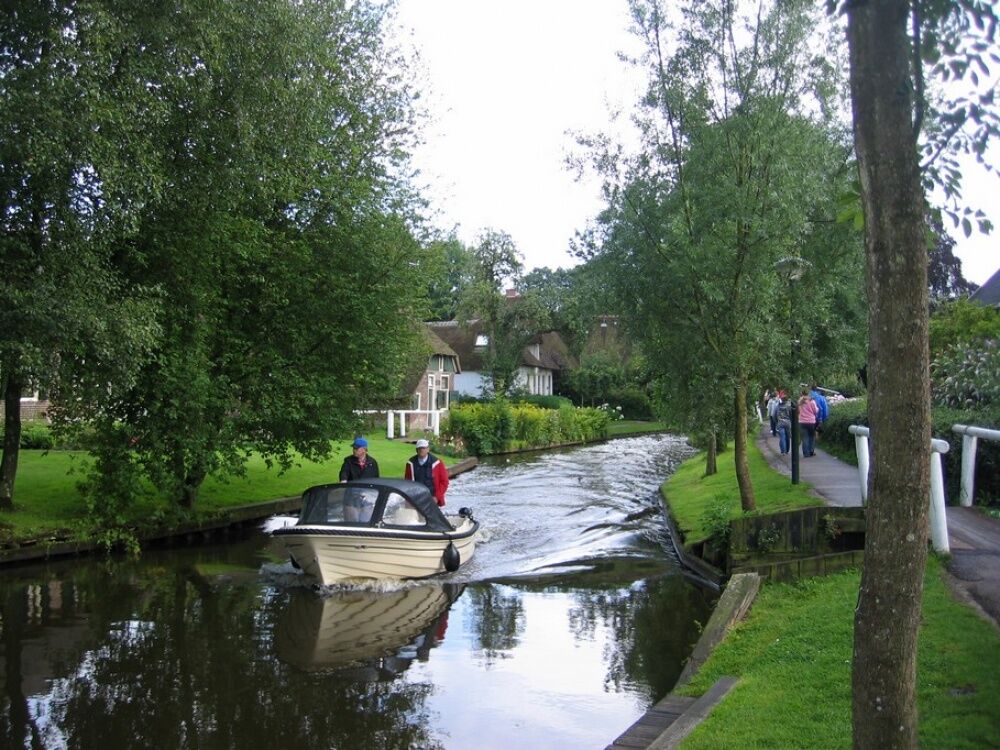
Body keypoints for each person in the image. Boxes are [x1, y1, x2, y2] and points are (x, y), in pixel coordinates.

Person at [404, 438, 449, 507]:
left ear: (428, 449)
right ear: (416, 450)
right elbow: (407, 482)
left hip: (432, 497)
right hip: (416, 497)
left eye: (424, 448)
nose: (422, 450)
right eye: (420, 448)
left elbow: (444, 482)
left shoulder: (437, 463)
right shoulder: (410, 463)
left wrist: (436, 497)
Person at [798, 389, 819, 457]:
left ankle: (805, 453)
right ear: (808, 394)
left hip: (802, 421)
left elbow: (798, 410)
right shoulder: (812, 401)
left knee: (804, 438)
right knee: (811, 437)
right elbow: (815, 411)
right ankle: (811, 451)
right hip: (811, 421)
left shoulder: (800, 402)